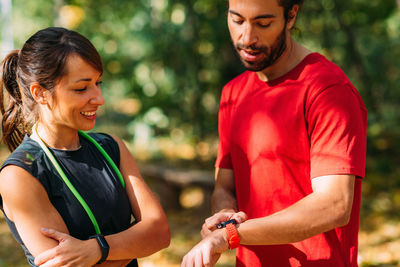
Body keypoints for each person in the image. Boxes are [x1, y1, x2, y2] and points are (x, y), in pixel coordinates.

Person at [181, 0, 367, 266]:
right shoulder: (232, 94)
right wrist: (225, 215)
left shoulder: (328, 90)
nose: (246, 37)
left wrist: (231, 235)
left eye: (263, 23)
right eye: (237, 20)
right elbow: (224, 186)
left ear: (291, 16)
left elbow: (334, 205)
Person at [0, 27, 170, 267]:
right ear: (40, 93)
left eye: (98, 83)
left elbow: (160, 232)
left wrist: (97, 249)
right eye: (82, 88)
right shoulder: (19, 175)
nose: (99, 98)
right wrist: (135, 241)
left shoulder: (112, 148)